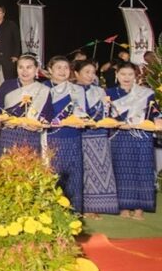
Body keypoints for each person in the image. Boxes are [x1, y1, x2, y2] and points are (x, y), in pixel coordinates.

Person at [107, 62, 160, 219]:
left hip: (141, 135)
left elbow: (154, 113)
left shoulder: (146, 93)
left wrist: (157, 121)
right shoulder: (109, 93)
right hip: (119, 136)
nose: (127, 78)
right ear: (117, 75)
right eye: (123, 74)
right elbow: (105, 114)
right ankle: (123, 206)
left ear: (136, 76)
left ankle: (140, 207)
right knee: (121, 169)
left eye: (130, 74)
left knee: (142, 169)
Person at [73, 59, 118, 217]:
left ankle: (97, 206)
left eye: (93, 72)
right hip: (78, 134)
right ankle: (82, 206)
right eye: (87, 72)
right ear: (76, 73)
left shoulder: (99, 91)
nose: (91, 76)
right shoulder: (70, 90)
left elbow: (107, 111)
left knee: (99, 169)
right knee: (82, 170)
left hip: (98, 134)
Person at [44, 56, 85, 212]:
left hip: (72, 136)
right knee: (52, 174)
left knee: (73, 174)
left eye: (66, 68)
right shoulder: (42, 88)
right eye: (58, 67)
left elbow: (82, 112)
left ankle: (74, 211)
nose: (62, 71)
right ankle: (51, 211)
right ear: (50, 70)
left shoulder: (77, 90)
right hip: (50, 137)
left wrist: (81, 120)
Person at [0, 54, 51, 155]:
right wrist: (3, 122)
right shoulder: (7, 85)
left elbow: (47, 115)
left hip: (32, 136)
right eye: (21, 67)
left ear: (36, 69)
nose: (24, 71)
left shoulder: (43, 90)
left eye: (29, 67)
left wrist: (39, 126)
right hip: (8, 136)